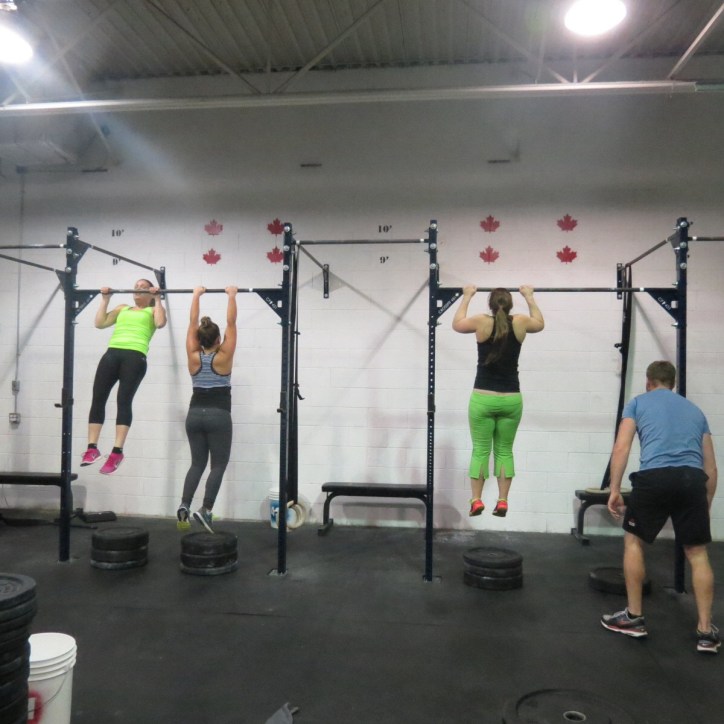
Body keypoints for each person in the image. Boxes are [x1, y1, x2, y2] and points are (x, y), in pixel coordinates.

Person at [601, 360, 719, 653]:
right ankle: (706, 632)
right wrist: (705, 503)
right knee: (698, 552)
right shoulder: (695, 411)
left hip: (654, 477)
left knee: (634, 542)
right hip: (692, 479)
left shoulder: (638, 403)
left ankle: (634, 617)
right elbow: (711, 467)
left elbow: (621, 447)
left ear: (648, 381)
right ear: (673, 383)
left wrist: (614, 489)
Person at [452, 285, 544, 517]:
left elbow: (457, 323)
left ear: (490, 305)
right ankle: (502, 501)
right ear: (510, 305)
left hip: (483, 398)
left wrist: (467, 296)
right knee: (504, 451)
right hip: (511, 399)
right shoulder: (521, 322)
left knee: (480, 450)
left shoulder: (481, 321)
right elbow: (540, 323)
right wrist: (529, 296)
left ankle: (476, 500)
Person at [80, 279, 166, 474]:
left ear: (150, 293)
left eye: (143, 287)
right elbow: (99, 323)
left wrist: (158, 298)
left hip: (135, 357)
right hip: (112, 354)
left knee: (123, 401)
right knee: (98, 398)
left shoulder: (153, 310)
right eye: (136, 286)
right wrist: (105, 299)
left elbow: (160, 323)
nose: (138, 289)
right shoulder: (122, 308)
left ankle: (117, 452)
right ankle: (92, 448)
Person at [176, 286, 238, 533]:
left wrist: (195, 295)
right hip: (218, 415)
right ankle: (206, 510)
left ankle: (184, 505)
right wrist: (231, 295)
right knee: (218, 465)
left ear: (199, 339)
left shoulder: (193, 356)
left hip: (194, 416)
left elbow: (192, 323)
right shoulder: (224, 357)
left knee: (196, 464)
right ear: (218, 339)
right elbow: (231, 322)